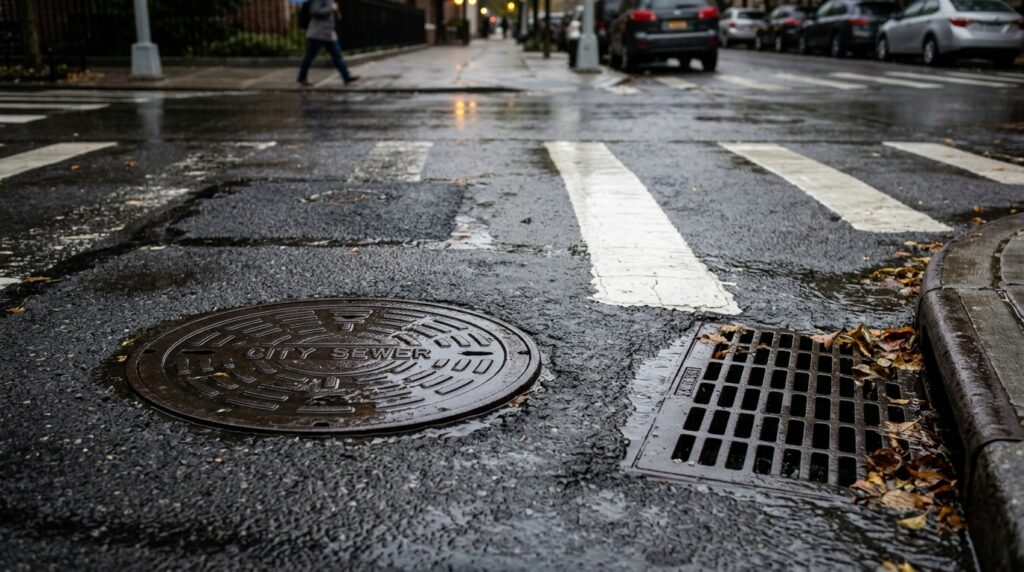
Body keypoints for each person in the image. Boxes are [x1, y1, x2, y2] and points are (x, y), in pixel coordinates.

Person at [297, 0, 359, 86]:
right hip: (317, 34)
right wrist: (330, 8)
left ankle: (347, 77)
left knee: (337, 56)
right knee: (309, 56)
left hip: (329, 34)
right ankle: (302, 78)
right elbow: (314, 11)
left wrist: (334, 9)